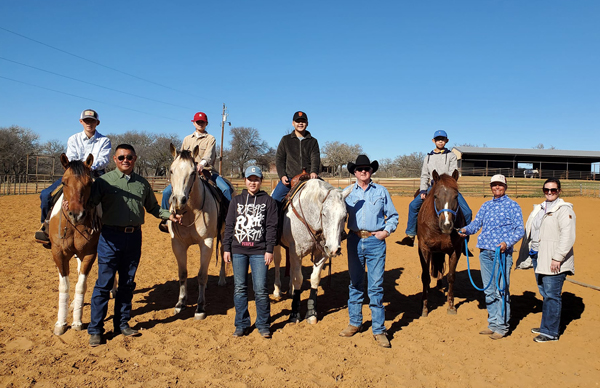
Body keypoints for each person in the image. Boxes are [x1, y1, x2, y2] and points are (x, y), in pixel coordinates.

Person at [87, 144, 181, 347]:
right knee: (104, 284)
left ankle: (121, 324)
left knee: (127, 284)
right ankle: (95, 329)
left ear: (135, 159)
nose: (125, 160)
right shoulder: (103, 182)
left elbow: (153, 208)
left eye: (129, 157)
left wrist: (169, 215)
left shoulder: (142, 183)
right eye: (121, 157)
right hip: (110, 238)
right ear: (115, 159)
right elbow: (89, 204)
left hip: (134, 237)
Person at [340, 155, 398, 348]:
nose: (363, 171)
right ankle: (355, 323)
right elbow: (337, 215)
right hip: (354, 240)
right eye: (359, 169)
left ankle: (379, 329)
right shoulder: (346, 193)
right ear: (354, 172)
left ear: (371, 171)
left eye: (366, 168)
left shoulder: (381, 191)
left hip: (375, 242)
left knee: (375, 286)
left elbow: (393, 216)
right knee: (355, 283)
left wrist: (386, 231)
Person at [459, 174, 524, 340]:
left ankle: (502, 327)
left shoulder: (513, 206)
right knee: (489, 290)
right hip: (485, 253)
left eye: (500, 185)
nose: (497, 188)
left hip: (500, 253)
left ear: (505, 186)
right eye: (494, 185)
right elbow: (476, 224)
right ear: (491, 187)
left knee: (501, 289)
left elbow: (519, 230)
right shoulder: (486, 205)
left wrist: (506, 243)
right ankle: (492, 323)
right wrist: (466, 229)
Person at [34, 109, 111, 244]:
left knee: (111, 198)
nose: (89, 123)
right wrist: (80, 169)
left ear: (97, 123)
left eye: (92, 121)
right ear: (81, 122)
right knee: (46, 194)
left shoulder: (104, 140)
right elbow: (71, 158)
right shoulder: (73, 139)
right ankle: (45, 226)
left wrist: (89, 167)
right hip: (74, 174)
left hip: (95, 173)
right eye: (86, 121)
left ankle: (110, 229)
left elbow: (104, 159)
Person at [516, 178, 576, 342]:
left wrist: (558, 257)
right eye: (547, 189)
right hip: (539, 256)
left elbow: (568, 236)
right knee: (545, 292)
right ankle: (546, 326)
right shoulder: (540, 208)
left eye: (553, 190)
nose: (550, 192)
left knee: (552, 295)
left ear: (559, 191)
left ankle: (551, 332)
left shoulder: (564, 210)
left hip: (553, 259)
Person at [223, 166, 278, 338]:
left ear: (261, 181)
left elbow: (271, 227)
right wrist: (226, 248)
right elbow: (229, 226)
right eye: (249, 179)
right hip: (238, 250)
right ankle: (241, 324)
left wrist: (269, 249)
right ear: (245, 180)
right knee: (240, 288)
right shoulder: (236, 201)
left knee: (261, 289)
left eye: (256, 179)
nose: (252, 182)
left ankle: (263, 324)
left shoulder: (268, 201)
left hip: (259, 251)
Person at [160, 112, 232, 231]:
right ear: (193, 123)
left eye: (202, 122)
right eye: (198, 122)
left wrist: (201, 164)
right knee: (166, 192)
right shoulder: (187, 139)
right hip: (188, 173)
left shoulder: (210, 139)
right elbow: (181, 157)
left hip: (207, 172)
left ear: (206, 123)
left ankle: (228, 220)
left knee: (226, 189)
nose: (200, 124)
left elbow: (209, 155)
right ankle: (165, 219)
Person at [398, 130, 472, 247]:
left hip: (448, 187)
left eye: (442, 139)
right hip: (433, 187)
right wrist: (423, 190)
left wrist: (447, 184)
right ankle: (411, 235)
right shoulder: (428, 157)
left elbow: (453, 172)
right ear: (434, 141)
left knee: (467, 212)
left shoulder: (451, 156)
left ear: (446, 141)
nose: (440, 141)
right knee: (413, 206)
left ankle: (464, 240)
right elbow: (424, 175)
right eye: (438, 139)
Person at [272, 111, 320, 203]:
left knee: (328, 195)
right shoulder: (285, 140)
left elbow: (315, 158)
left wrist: (314, 171)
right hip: (290, 178)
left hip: (309, 178)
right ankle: (276, 218)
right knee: (275, 199)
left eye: (303, 121)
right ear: (293, 123)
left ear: (307, 123)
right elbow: (280, 159)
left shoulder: (313, 141)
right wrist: (282, 175)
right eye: (298, 121)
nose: (300, 123)